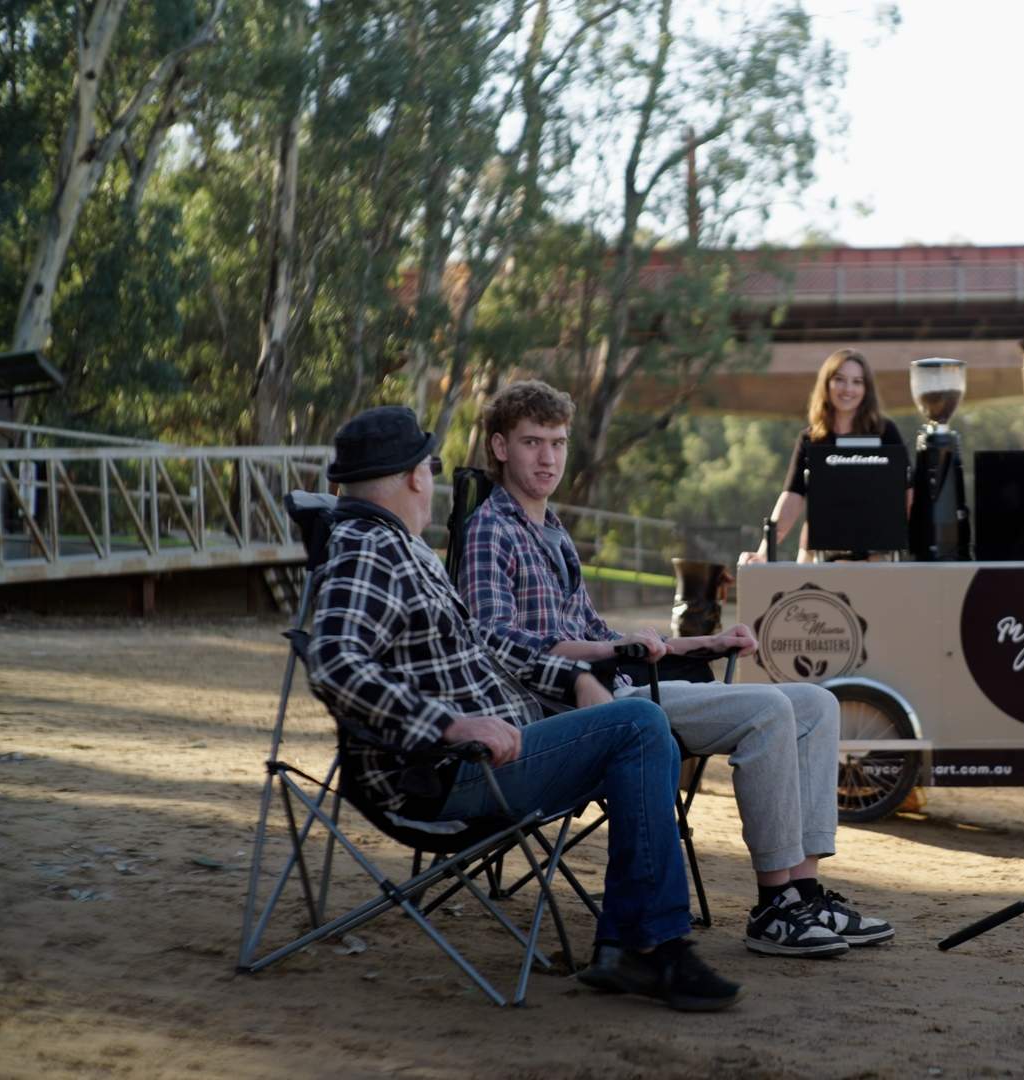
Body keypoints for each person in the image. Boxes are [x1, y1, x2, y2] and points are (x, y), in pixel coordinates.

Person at [304, 405, 742, 1010]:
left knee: (643, 728)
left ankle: (631, 945)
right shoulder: (369, 550)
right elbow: (335, 662)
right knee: (642, 724)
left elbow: (485, 645)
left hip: (496, 748)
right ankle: (647, 945)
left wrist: (575, 676)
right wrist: (451, 724)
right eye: (427, 469)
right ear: (413, 478)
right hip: (447, 773)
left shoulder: (402, 550)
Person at [459, 381, 895, 957]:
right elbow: (493, 640)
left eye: (558, 443)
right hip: (567, 710)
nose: (548, 458)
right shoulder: (491, 528)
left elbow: (599, 634)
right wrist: (605, 654)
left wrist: (699, 642)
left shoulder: (551, 529)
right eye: (532, 442)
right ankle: (773, 908)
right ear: (498, 447)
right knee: (768, 710)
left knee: (818, 703)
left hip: (622, 686)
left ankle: (803, 892)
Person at [740, 348, 906, 564]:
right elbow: (792, 496)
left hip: (875, 553)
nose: (848, 389)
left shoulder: (885, 432)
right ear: (827, 384)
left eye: (857, 381)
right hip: (817, 552)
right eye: (840, 380)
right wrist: (763, 552)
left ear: (866, 389)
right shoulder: (811, 438)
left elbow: (906, 492)